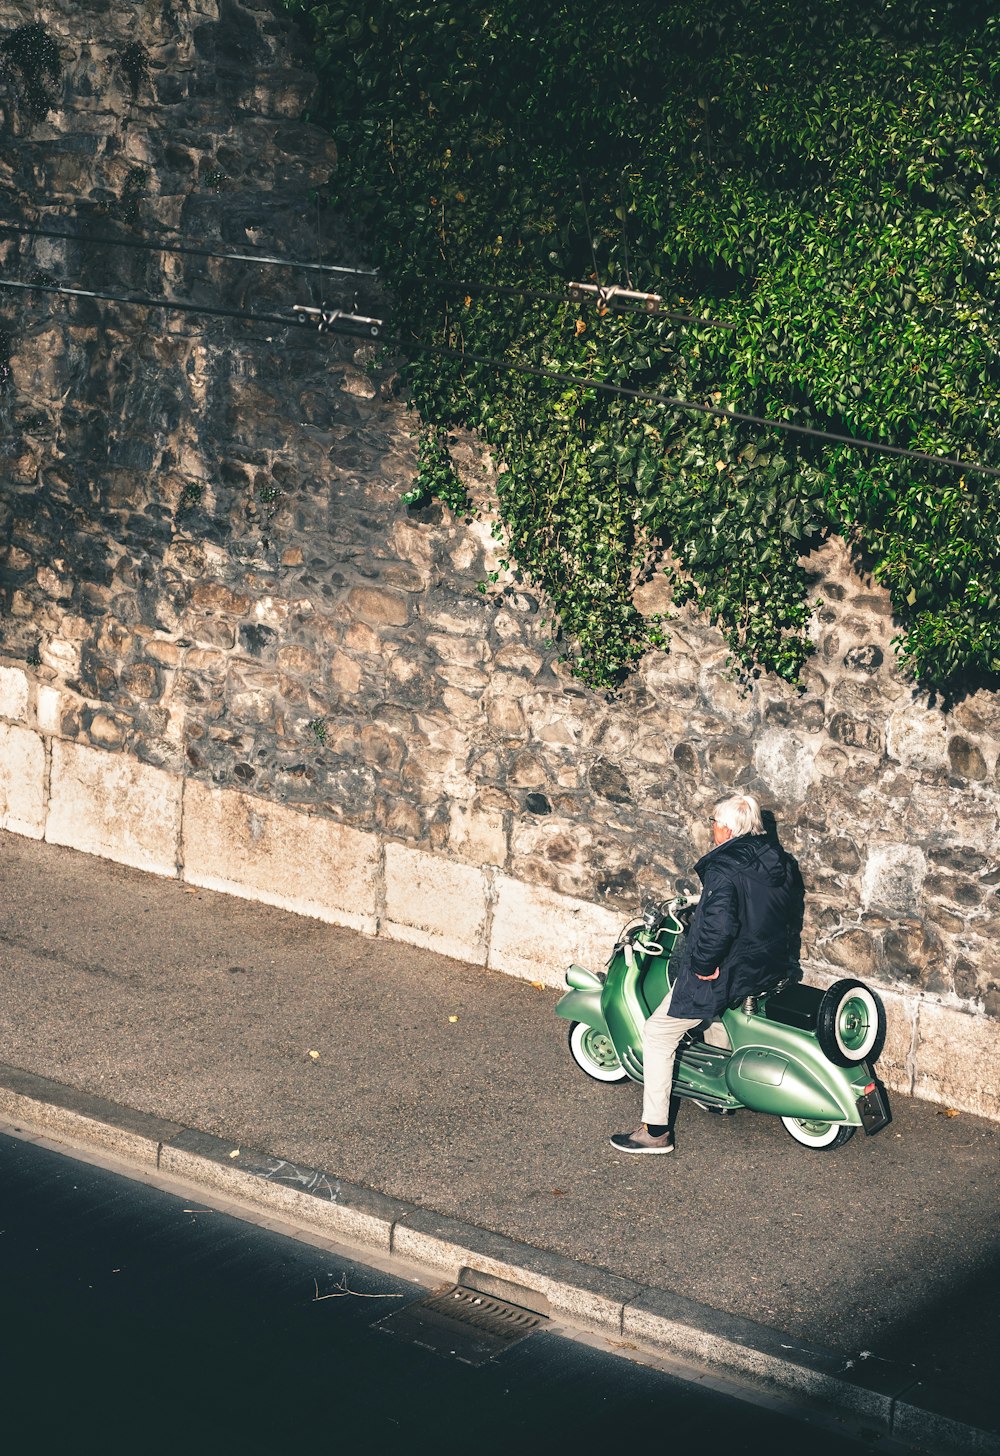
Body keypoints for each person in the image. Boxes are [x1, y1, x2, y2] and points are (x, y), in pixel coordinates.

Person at [611, 792, 795, 1155]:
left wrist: (702, 966)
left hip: (727, 967)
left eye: (713, 821)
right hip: (765, 964)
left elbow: (721, 925)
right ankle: (717, 1094)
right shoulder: (776, 859)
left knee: (659, 1033)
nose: (711, 827)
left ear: (725, 829)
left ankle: (655, 1131)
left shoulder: (724, 867)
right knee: (712, 1015)